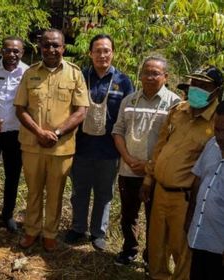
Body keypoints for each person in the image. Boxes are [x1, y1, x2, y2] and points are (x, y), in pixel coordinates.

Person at [140, 66, 223, 279]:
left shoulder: (217, 123)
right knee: (156, 246)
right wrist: (149, 179)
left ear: (217, 91)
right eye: (195, 84)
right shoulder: (178, 111)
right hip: (160, 191)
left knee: (182, 251)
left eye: (204, 86)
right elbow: (161, 146)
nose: (197, 89)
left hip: (185, 197)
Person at [14, 28, 89, 252]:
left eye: (56, 45)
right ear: (40, 47)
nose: (51, 49)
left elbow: (81, 111)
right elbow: (20, 108)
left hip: (61, 147)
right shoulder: (30, 74)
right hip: (32, 145)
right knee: (34, 190)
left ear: (63, 47)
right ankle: (31, 231)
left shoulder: (75, 74)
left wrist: (55, 133)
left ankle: (50, 234)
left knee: (55, 193)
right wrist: (39, 132)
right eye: (46, 45)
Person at [66, 34, 133, 251]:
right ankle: (78, 228)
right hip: (81, 147)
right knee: (80, 191)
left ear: (112, 52)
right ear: (90, 53)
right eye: (97, 51)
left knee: (104, 193)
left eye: (106, 50)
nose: (102, 55)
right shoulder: (80, 77)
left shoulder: (123, 81)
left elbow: (127, 115)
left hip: (110, 150)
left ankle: (98, 233)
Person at [112, 56, 180, 265]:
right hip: (128, 169)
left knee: (155, 219)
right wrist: (128, 158)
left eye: (155, 73)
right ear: (140, 75)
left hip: (157, 173)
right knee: (128, 215)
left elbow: (174, 142)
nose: (150, 77)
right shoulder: (129, 100)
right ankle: (129, 249)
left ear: (165, 77)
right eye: (146, 73)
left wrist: (149, 166)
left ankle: (152, 257)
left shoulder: (175, 104)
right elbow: (118, 131)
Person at [0, 36, 29, 232]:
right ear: (1, 51)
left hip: (16, 132)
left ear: (22, 52)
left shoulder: (28, 72)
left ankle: (7, 214)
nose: (12, 54)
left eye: (16, 51)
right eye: (8, 50)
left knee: (13, 175)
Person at [185, 101, 224, 280]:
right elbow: (198, 179)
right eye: (217, 130)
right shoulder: (212, 145)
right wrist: (190, 218)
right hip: (200, 239)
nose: (220, 137)